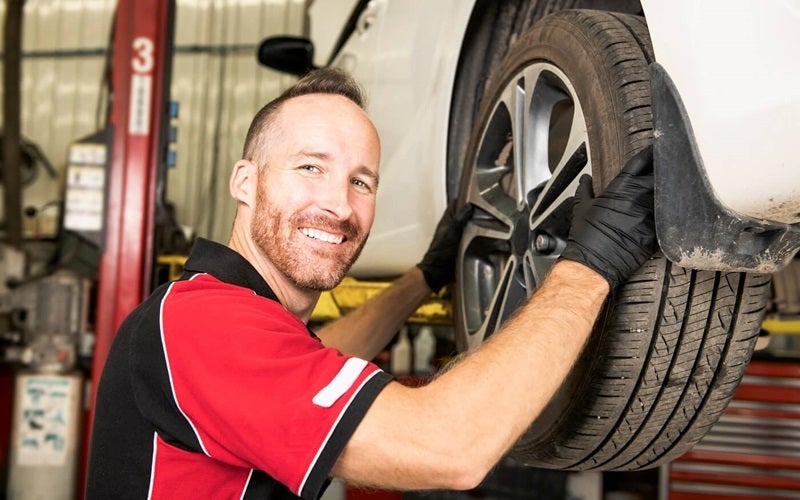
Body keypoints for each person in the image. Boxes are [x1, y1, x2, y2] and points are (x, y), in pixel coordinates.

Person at [86, 67, 656, 499]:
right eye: (310, 167)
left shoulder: (220, 315)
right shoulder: (204, 325)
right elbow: (448, 448)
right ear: (245, 181)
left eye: (361, 181)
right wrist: (589, 266)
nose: (339, 204)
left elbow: (316, 360)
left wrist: (422, 280)